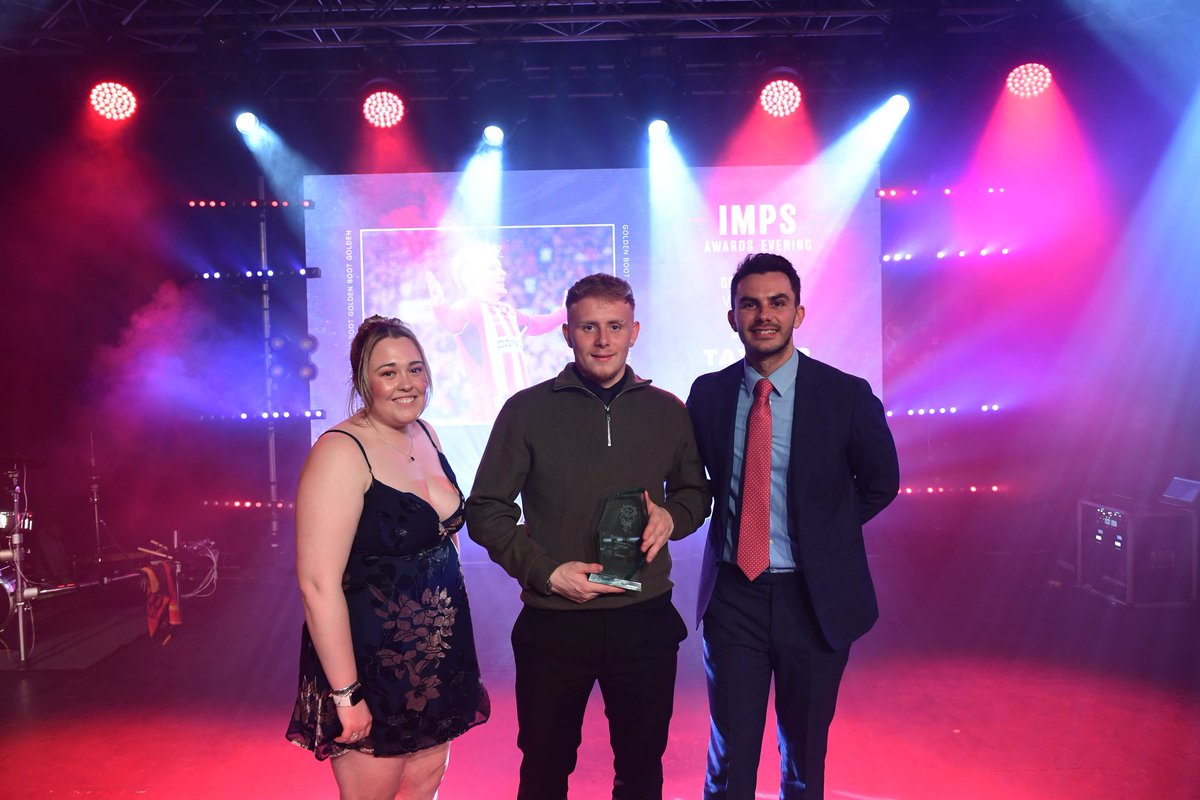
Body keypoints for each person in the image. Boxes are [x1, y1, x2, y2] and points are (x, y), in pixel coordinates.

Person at [466, 273, 711, 800]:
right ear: (566, 333)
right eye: (588, 327)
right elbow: (485, 508)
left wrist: (672, 517)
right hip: (555, 623)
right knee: (544, 771)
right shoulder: (526, 411)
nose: (602, 340)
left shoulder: (668, 410)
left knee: (643, 770)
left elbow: (696, 493)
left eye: (614, 326)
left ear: (634, 331)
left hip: (644, 620)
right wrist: (545, 572)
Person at [686, 253, 900, 800]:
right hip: (735, 596)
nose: (764, 314)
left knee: (804, 756)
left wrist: (825, 535)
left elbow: (882, 482)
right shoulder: (707, 394)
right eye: (750, 304)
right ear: (731, 317)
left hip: (815, 598)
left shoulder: (844, 395)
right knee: (730, 756)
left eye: (777, 302)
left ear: (798, 313)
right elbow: (696, 483)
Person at [287, 315, 490, 799]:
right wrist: (347, 695)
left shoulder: (427, 433)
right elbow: (317, 584)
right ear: (364, 381)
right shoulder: (340, 452)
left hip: (437, 659)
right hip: (369, 668)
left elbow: (445, 541)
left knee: (424, 788)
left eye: (415, 369)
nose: (406, 383)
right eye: (389, 371)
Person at [426, 242, 566, 421]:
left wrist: (564, 313)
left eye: (500, 268)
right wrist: (439, 305)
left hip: (521, 408)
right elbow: (451, 321)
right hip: (489, 412)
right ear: (472, 277)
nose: (503, 273)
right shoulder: (469, 307)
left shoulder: (507, 311)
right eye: (493, 269)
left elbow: (537, 324)